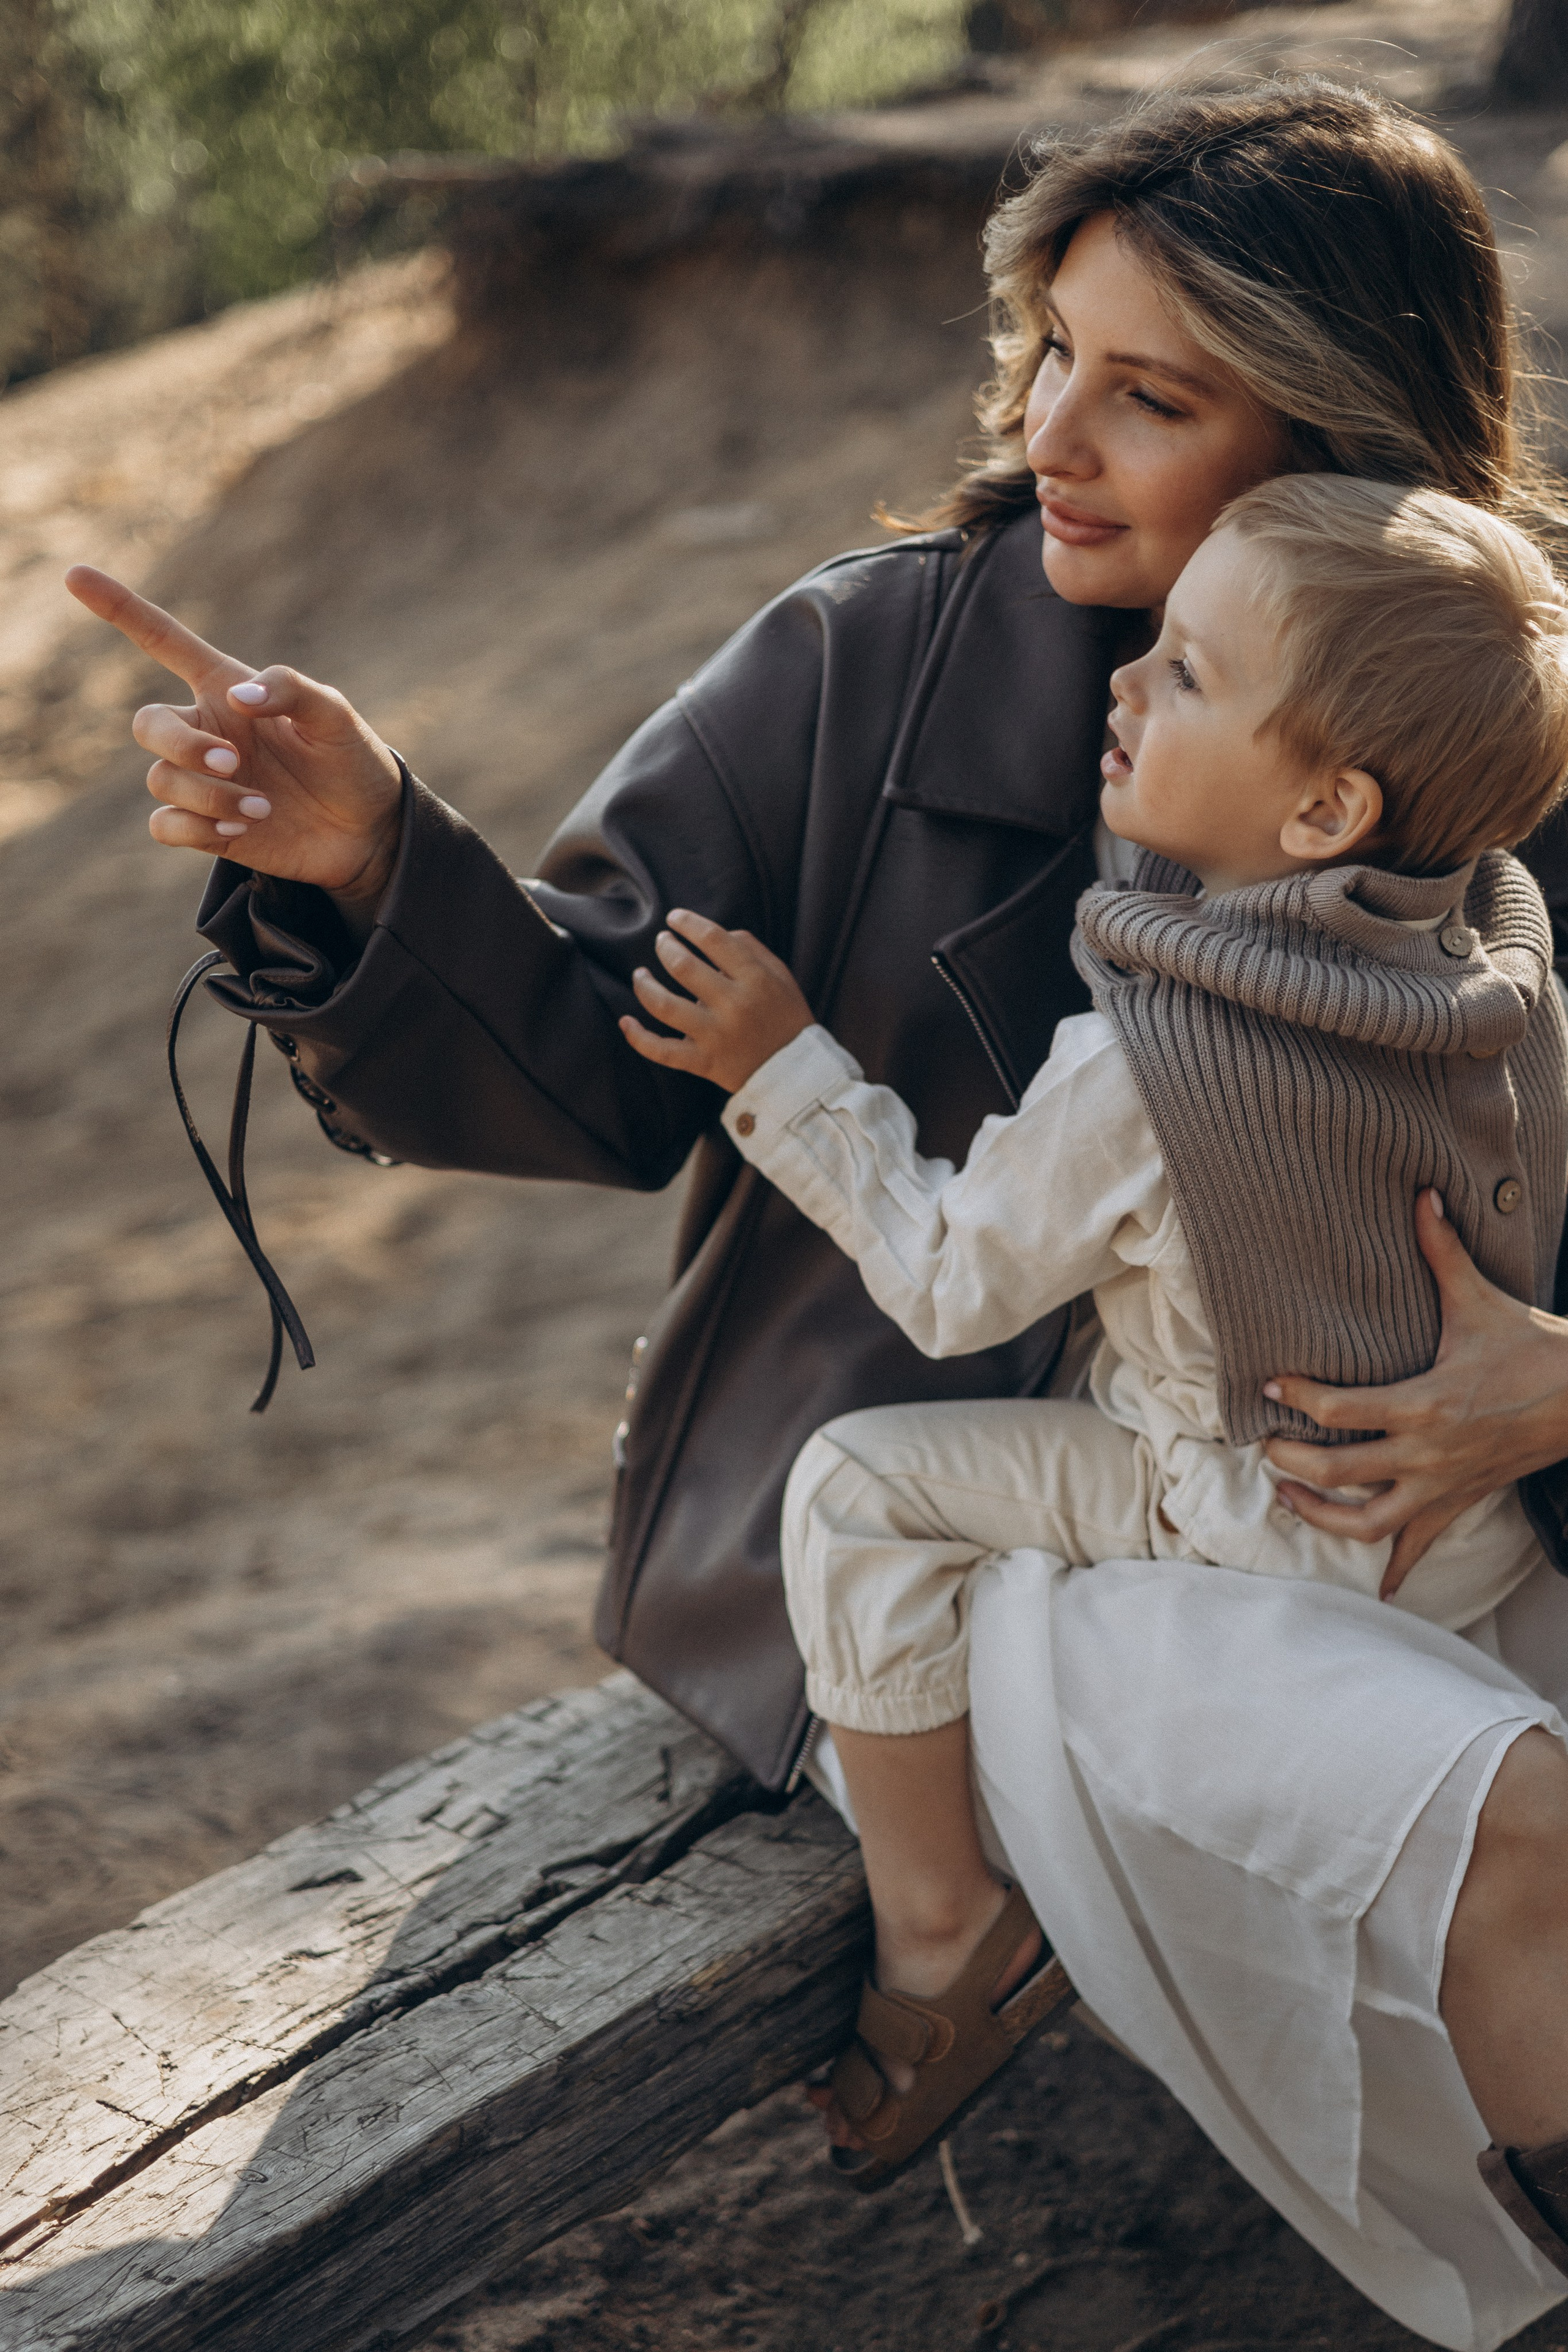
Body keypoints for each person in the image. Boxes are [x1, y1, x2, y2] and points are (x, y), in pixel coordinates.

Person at [62, 81, 1568, 2345]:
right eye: (1050, 350)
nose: (1055, 432)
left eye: (1148, 395)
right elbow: (605, 1068)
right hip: (996, 1548)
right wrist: (373, 860)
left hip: (1444, 1524)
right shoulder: (867, 662)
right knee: (1520, 1838)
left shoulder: (1500, 716)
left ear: (1348, 442)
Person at [614, 471, 1568, 2190]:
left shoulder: (1152, 1061)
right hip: (1463, 1531)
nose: (1122, 684)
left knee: (854, 1491)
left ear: (1326, 803)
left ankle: (937, 1923)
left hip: (1253, 1528)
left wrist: (784, 1068)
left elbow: (952, 1278)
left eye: (1187, 675)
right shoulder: (1501, 965)